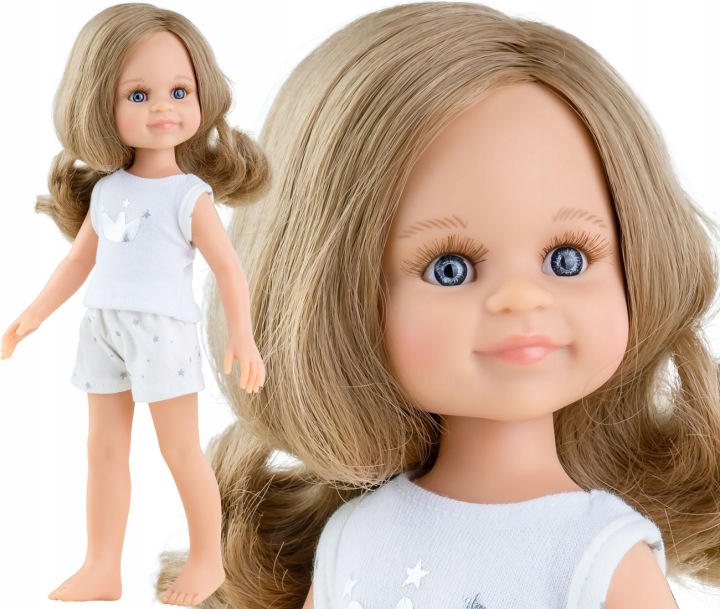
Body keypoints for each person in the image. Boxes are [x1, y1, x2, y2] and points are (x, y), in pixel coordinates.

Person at [158, 3, 720, 608]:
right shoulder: (353, 538)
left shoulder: (598, 553)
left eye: (568, 259)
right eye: (449, 269)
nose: (521, 299)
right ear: (334, 295)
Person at [1, 4, 266, 606]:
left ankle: (208, 559)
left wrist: (242, 334)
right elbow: (78, 262)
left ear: (201, 96)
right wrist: (32, 314)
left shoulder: (189, 195)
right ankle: (101, 566)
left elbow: (229, 267)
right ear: (101, 104)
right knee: (103, 450)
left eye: (179, 91)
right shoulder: (108, 190)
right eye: (139, 95)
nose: (162, 108)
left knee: (179, 449)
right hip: (101, 327)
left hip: (162, 331)